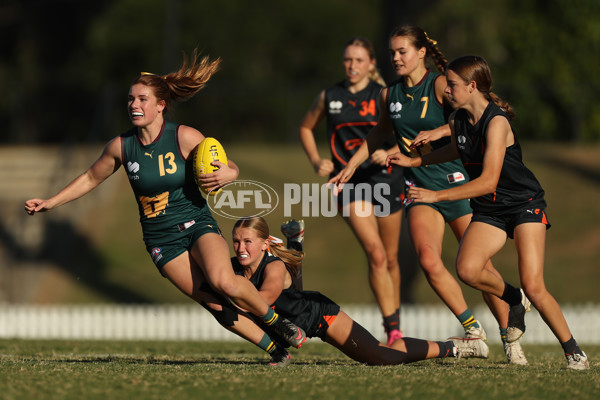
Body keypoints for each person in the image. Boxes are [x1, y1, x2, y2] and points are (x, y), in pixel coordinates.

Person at [23, 49, 307, 354]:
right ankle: (276, 350)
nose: (134, 104)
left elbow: (228, 165)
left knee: (223, 282)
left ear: (161, 106)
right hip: (161, 240)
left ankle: (276, 321)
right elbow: (91, 177)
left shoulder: (183, 137)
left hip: (198, 225)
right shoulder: (121, 147)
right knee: (214, 303)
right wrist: (51, 202)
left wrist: (230, 173)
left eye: (142, 99)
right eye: (131, 99)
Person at [329, 26, 526, 365]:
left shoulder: (440, 85)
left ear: (421, 52)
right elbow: (379, 133)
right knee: (428, 258)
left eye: (402, 51)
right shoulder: (388, 94)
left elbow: (475, 117)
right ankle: (474, 331)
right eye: (392, 52)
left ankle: (511, 337)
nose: (395, 58)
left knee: (479, 267)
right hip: (419, 188)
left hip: (457, 184)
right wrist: (350, 166)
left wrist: (438, 130)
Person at [386, 55, 589, 370]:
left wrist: (435, 194)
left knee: (535, 285)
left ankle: (573, 350)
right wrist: (414, 161)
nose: (447, 91)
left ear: (472, 86)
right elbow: (457, 149)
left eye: (452, 85)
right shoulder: (458, 119)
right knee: (467, 270)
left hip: (524, 204)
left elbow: (487, 181)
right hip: (491, 209)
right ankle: (513, 297)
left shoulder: (497, 122)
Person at [228, 216, 488, 366]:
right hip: (290, 321)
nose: (241, 247)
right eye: (236, 241)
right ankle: (295, 246)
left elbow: (262, 301)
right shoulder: (233, 268)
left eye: (247, 241)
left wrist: (225, 295)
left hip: (319, 316)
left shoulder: (273, 269)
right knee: (293, 295)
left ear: (264, 244)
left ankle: (455, 348)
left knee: (382, 356)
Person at [299, 37, 405, 345]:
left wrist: (390, 152)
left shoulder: (384, 95)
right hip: (348, 182)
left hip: (386, 179)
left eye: (359, 60)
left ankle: (394, 321)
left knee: (392, 258)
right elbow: (306, 127)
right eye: (348, 59)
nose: (352, 65)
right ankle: (393, 330)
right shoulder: (329, 95)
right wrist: (317, 159)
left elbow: (409, 135)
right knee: (375, 253)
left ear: (371, 64)